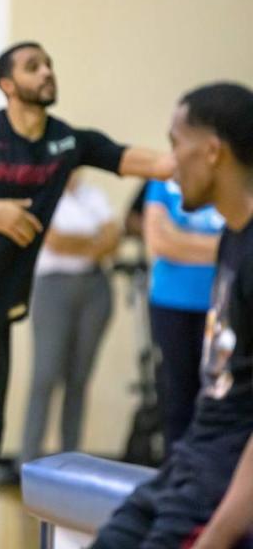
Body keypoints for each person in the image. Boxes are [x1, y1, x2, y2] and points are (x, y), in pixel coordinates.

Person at [0, 41, 175, 549]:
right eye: (33, 66)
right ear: (8, 84)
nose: (47, 71)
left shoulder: (64, 142)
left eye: (49, 62)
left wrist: (195, 152)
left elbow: (137, 160)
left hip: (0, 316)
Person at [93, 83, 253, 549]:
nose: (168, 163)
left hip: (217, 488)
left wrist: (218, 534)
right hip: (187, 469)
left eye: (175, 144)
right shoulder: (233, 239)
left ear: (212, 151)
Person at [20, 170, 120, 464]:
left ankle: (70, 458)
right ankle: (28, 459)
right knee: (46, 375)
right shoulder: (42, 194)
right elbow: (55, 241)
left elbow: (114, 237)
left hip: (94, 288)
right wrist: (94, 242)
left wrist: (87, 244)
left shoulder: (94, 195)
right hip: (53, 288)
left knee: (78, 379)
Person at [143, 177, 224, 453]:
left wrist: (181, 240)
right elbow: (159, 242)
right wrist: (220, 246)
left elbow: (243, 244)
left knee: (217, 397)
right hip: (171, 303)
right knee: (176, 395)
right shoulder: (163, 182)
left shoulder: (231, 177)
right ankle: (174, 475)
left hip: (220, 305)